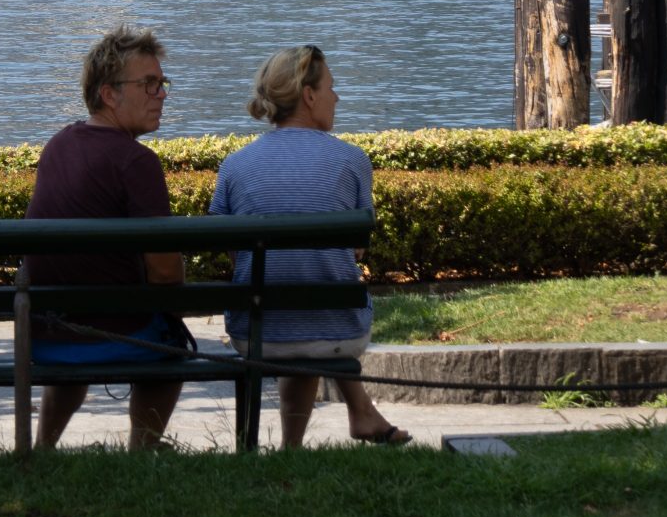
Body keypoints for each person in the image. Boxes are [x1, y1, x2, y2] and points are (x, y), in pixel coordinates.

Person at [210, 45, 407, 446]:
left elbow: (231, 249)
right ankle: (356, 417)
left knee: (285, 298)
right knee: (316, 296)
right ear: (309, 95)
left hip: (255, 333)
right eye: (332, 87)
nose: (337, 97)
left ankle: (296, 446)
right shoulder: (352, 160)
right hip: (340, 332)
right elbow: (356, 249)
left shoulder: (235, 165)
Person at [24, 25, 184, 452]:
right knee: (174, 352)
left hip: (48, 335)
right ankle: (142, 451)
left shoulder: (58, 145)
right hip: (113, 334)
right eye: (148, 84)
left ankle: (44, 447)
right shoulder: (137, 161)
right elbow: (166, 271)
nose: (161, 94)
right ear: (109, 94)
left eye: (162, 83)